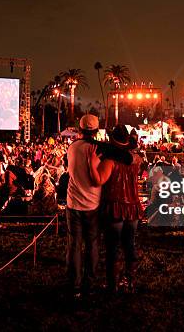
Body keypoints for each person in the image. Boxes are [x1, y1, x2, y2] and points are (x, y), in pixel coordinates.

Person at [88, 125, 143, 292]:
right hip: (132, 205)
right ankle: (130, 280)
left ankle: (113, 283)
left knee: (113, 246)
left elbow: (98, 180)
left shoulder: (109, 162)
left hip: (115, 205)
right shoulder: (136, 160)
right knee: (129, 244)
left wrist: (91, 163)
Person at [66, 114, 102, 298]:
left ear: (80, 129)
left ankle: (75, 285)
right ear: (96, 131)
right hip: (93, 203)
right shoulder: (98, 150)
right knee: (92, 244)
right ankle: (90, 282)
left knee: (74, 244)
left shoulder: (72, 148)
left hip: (73, 203)